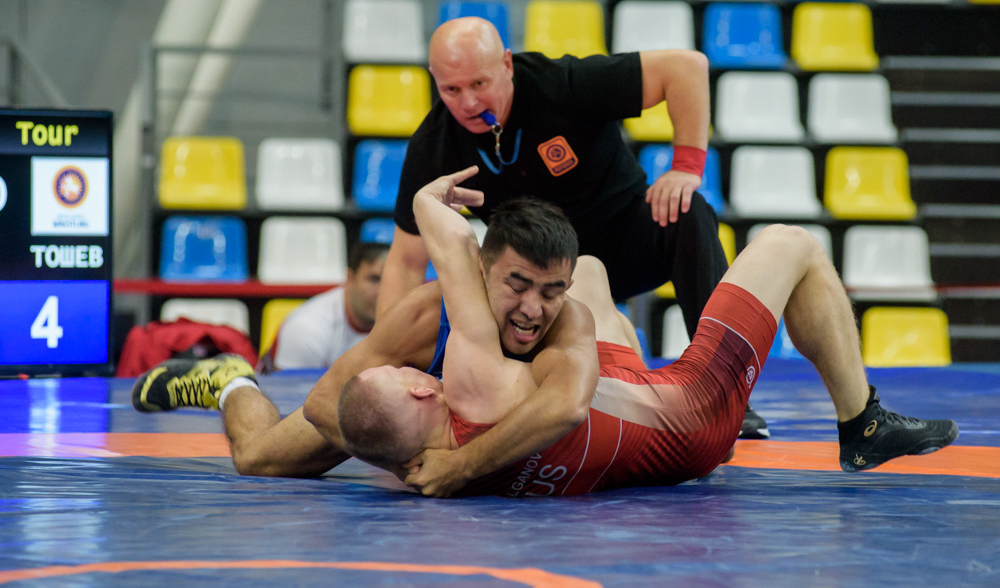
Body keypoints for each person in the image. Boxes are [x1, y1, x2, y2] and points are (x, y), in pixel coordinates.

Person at [337, 167, 959, 497]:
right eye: (397, 373)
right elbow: (450, 244)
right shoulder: (474, 384)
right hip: (695, 415)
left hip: (618, 408)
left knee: (588, 270)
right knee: (791, 243)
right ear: (421, 390)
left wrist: (456, 469)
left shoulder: (415, 466)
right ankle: (863, 423)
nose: (409, 365)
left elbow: (369, 427)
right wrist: (426, 198)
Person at [379, 16, 769, 438]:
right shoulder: (434, 144)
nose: (469, 103)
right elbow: (405, 261)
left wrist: (686, 168)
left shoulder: (561, 84)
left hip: (624, 244)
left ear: (507, 64)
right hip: (542, 281)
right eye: (451, 90)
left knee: (688, 211)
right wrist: (385, 362)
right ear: (434, 80)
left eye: (479, 84)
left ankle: (729, 394)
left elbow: (686, 68)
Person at [131, 184, 606, 489]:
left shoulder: (563, 315)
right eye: (516, 286)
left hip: (465, 439)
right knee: (258, 458)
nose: (531, 309)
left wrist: (462, 466)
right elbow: (322, 402)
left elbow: (567, 405)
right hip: (416, 420)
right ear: (482, 272)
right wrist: (405, 463)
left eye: (549, 291)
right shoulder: (427, 315)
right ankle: (231, 382)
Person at [257, 242, 389, 374]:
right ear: (350, 278)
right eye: (374, 279)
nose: (382, 291)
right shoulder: (306, 328)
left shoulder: (397, 322)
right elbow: (290, 387)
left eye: (390, 280)